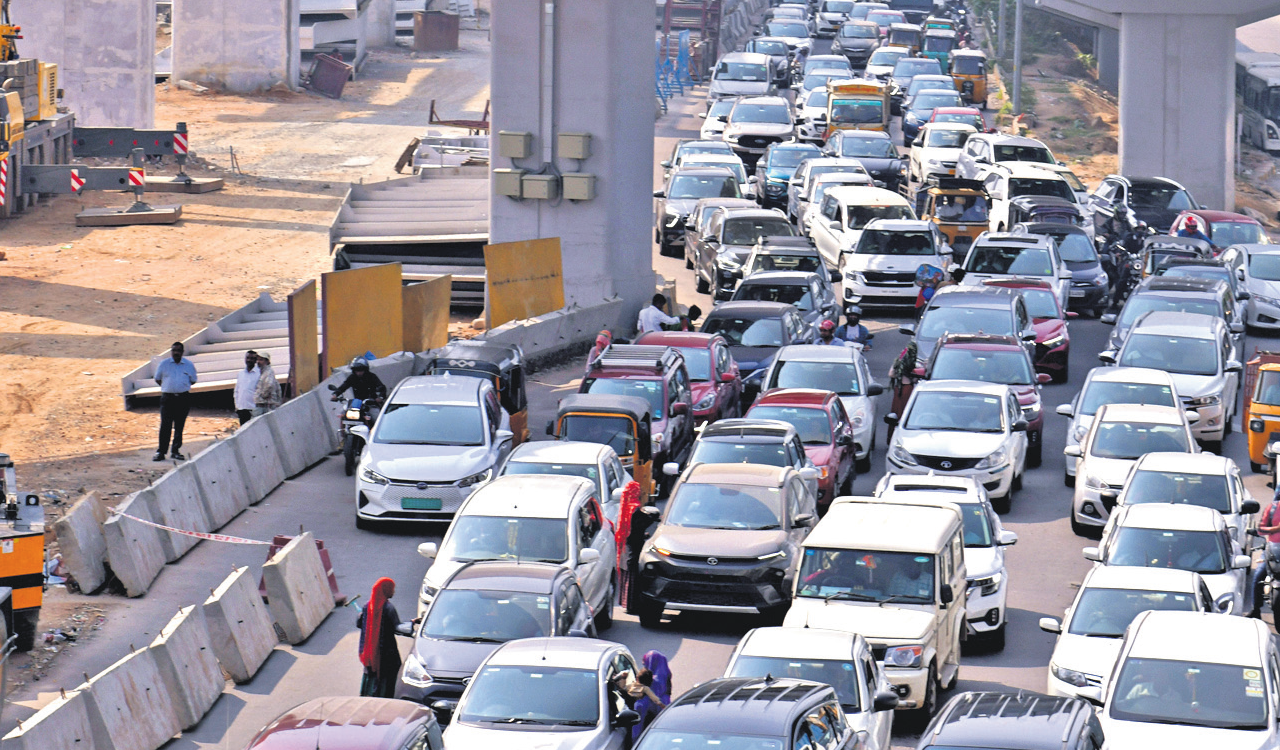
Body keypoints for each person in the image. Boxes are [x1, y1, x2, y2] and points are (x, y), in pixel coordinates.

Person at [357, 577, 413, 697]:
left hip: (370, 652)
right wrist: (412, 624)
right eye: (392, 589)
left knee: (371, 675)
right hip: (387, 652)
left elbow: (360, 623)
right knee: (390, 676)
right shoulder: (388, 608)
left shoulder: (367, 606)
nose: (393, 592)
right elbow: (397, 627)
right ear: (385, 590)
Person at [154, 342, 198, 461]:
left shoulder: (188, 365)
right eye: (174, 350)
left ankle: (175, 451)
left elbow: (193, 380)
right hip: (168, 399)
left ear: (182, 352)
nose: (176, 353)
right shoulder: (164, 364)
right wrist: (169, 387)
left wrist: (180, 386)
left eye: (178, 350)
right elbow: (157, 379)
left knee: (179, 425)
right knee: (165, 425)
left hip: (183, 398)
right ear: (171, 351)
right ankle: (161, 452)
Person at [1248, 489, 1280, 618]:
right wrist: (1275, 529)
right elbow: (1261, 529)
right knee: (1258, 576)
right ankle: (1256, 610)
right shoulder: (1272, 509)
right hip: (1272, 550)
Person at [233, 351, 260, 425]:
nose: (249, 360)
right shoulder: (241, 373)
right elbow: (237, 390)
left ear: (256, 360)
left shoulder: (259, 374)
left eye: (252, 358)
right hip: (242, 408)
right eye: (247, 358)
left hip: (253, 409)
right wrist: (237, 405)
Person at [252, 353, 282, 417]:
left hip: (264, 405)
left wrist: (263, 395)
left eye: (261, 360)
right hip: (263, 405)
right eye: (258, 360)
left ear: (267, 361)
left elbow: (269, 385)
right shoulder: (263, 372)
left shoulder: (268, 372)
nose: (258, 362)